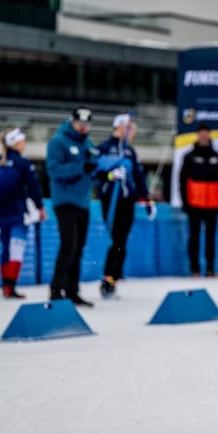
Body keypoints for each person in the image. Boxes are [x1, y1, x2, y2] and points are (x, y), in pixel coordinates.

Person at [92, 113, 152, 298]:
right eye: (130, 129)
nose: (132, 133)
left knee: (122, 240)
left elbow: (139, 177)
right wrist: (109, 176)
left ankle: (114, 277)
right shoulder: (103, 148)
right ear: (121, 127)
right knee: (115, 239)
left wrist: (147, 199)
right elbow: (94, 172)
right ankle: (108, 277)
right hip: (111, 199)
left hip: (127, 200)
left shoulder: (129, 151)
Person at [0, 127, 47, 298]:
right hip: (17, 212)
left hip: (0, 213)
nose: (25, 144)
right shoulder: (23, 163)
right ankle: (10, 286)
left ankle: (6, 286)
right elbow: (33, 187)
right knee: (16, 249)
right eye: (23, 141)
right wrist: (40, 207)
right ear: (16, 143)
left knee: (6, 248)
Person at [45, 106, 96, 307]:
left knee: (78, 249)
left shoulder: (88, 144)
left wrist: (102, 171)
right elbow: (54, 169)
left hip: (83, 202)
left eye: (86, 124)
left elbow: (91, 170)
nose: (83, 128)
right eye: (80, 123)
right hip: (65, 201)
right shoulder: (58, 142)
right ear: (72, 122)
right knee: (69, 246)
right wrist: (80, 168)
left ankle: (72, 290)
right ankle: (57, 290)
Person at [179, 123, 218, 277]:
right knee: (194, 237)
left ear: (210, 135)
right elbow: (182, 181)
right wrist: (185, 203)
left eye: (206, 132)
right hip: (194, 204)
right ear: (197, 135)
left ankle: (210, 269)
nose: (204, 136)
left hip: (213, 204)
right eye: (201, 133)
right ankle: (195, 269)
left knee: (211, 238)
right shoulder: (189, 157)